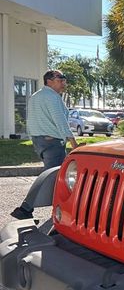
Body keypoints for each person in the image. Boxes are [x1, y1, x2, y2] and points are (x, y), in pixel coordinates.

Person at [10, 69, 78, 220]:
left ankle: (56, 210)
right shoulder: (52, 97)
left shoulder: (36, 96)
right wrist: (74, 143)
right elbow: (60, 121)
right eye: (60, 79)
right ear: (49, 80)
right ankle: (25, 209)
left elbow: (33, 120)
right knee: (53, 176)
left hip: (40, 141)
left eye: (64, 79)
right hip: (52, 142)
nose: (64, 82)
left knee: (53, 175)